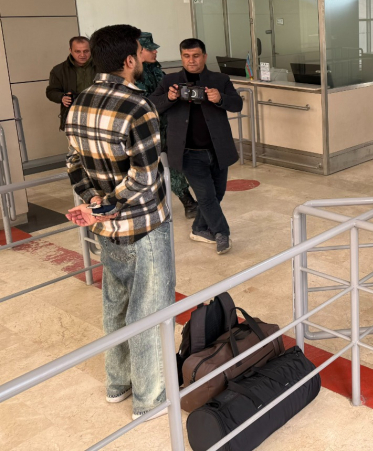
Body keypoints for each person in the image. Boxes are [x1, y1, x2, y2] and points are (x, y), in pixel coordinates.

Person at [64, 24, 173, 421]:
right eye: (140, 54)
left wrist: (94, 202)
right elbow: (143, 177)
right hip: (144, 227)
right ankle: (149, 397)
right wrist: (108, 205)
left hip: (105, 230)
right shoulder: (138, 106)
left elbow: (73, 163)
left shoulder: (80, 103)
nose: (143, 59)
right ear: (129, 60)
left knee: (115, 304)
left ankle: (118, 383)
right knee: (150, 310)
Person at [151, 39, 243, 255]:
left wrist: (220, 98)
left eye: (196, 55)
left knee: (217, 194)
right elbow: (152, 105)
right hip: (188, 153)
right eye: (186, 56)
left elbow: (237, 104)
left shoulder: (220, 79)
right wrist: (169, 97)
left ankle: (199, 228)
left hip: (218, 149)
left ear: (204, 56)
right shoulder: (170, 81)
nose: (191, 60)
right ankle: (222, 233)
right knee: (207, 196)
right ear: (181, 57)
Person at [135, 32, 199, 219]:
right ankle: (187, 202)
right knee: (164, 166)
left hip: (167, 124)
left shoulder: (155, 69)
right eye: (150, 49)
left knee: (173, 163)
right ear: (139, 52)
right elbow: (145, 103)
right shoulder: (134, 75)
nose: (155, 52)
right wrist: (168, 97)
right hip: (149, 128)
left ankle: (187, 201)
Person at [46, 36, 96, 131]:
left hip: (100, 113)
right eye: (78, 51)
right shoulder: (59, 70)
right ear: (70, 50)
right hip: (73, 116)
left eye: (86, 51)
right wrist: (62, 97)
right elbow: (51, 92)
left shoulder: (102, 66)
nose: (82, 55)